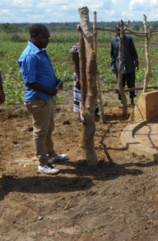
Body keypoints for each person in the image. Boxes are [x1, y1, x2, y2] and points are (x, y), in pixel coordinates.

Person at [18, 24, 68, 175]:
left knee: (48, 128)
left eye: (48, 37)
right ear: (34, 35)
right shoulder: (30, 55)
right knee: (40, 132)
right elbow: (30, 82)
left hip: (46, 97)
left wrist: (56, 81)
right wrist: (50, 90)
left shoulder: (41, 52)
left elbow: (43, 75)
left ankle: (51, 155)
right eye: (45, 37)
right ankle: (43, 163)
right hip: (38, 99)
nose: (47, 40)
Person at [70, 42, 99, 118]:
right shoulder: (75, 48)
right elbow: (75, 64)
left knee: (92, 92)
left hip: (89, 73)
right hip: (80, 74)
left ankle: (93, 112)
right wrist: (78, 77)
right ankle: (81, 114)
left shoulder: (90, 46)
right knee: (80, 94)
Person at [111, 32, 140, 107]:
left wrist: (136, 61)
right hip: (119, 66)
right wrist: (113, 66)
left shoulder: (128, 38)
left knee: (131, 84)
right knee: (121, 84)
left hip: (129, 64)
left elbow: (133, 50)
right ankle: (122, 101)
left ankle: (132, 101)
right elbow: (112, 54)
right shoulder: (114, 40)